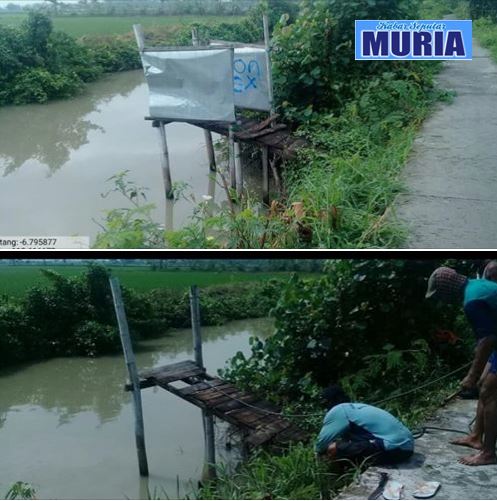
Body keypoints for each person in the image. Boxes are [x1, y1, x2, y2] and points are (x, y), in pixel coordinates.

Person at [425, 266, 497, 466]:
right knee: (485, 384)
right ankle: (476, 437)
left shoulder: (471, 301)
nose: (441, 300)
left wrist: (471, 376)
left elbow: (488, 340)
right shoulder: (475, 286)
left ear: (447, 288)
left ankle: (489, 453)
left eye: (440, 295)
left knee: (490, 390)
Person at [315, 385, 414, 464]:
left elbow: (321, 444)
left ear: (331, 401)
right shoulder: (355, 408)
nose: (325, 409)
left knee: (334, 448)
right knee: (346, 442)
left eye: (324, 404)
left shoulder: (339, 410)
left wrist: (318, 456)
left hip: (395, 449)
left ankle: (337, 476)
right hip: (406, 448)